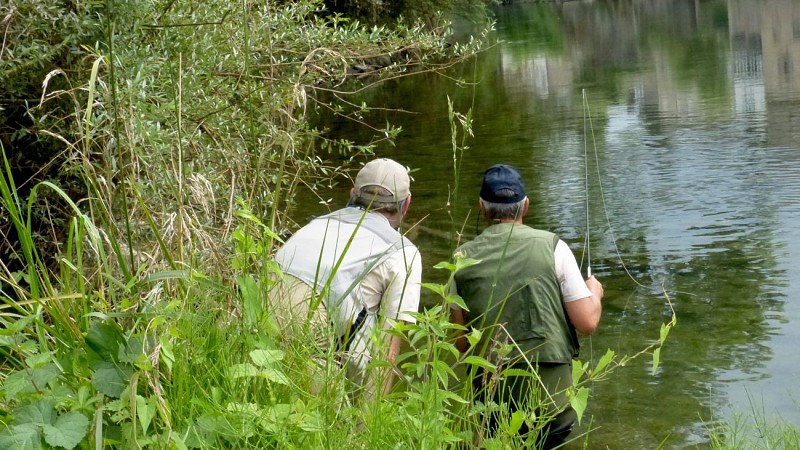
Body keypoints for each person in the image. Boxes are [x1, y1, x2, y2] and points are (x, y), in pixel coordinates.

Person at [449, 164, 604, 449]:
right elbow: (587, 323)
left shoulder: (460, 257)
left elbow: (460, 343)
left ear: (481, 207)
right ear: (526, 206)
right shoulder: (554, 246)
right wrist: (594, 292)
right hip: (552, 410)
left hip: (491, 411)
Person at [270, 158, 421, 400]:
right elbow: (387, 348)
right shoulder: (403, 252)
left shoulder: (313, 226)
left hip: (258, 324)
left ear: (352, 194)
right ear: (406, 205)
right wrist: (368, 428)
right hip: (314, 334)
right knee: (326, 423)